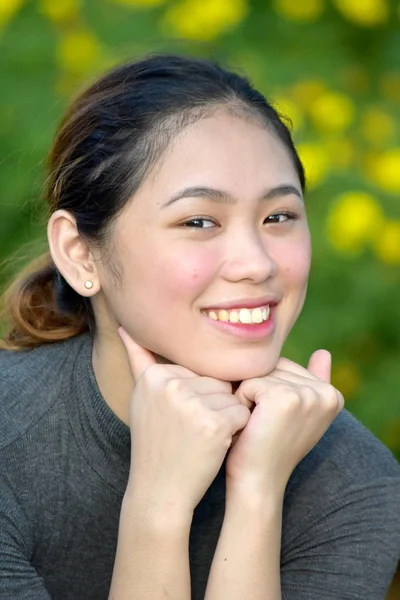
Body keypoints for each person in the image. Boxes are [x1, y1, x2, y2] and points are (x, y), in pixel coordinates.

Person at [0, 53, 399, 600]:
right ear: (80, 254)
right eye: (199, 221)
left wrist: (257, 494)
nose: (256, 262)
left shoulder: (353, 481)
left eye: (278, 216)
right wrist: (157, 508)